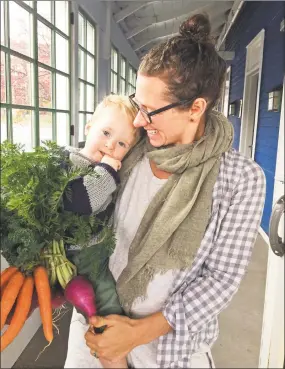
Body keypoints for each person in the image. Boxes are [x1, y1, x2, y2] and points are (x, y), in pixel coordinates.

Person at [64, 14, 266, 368]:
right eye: (136, 103)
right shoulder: (131, 147)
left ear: (196, 108)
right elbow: (81, 180)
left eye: (150, 111)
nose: (139, 120)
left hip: (168, 350)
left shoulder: (241, 179)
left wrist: (134, 334)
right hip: (94, 327)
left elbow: (220, 280)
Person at [63, 94, 139, 369]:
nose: (110, 145)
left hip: (96, 250)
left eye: (121, 144)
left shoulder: (101, 169)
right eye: (106, 133)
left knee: (94, 302)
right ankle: (113, 356)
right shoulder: (73, 163)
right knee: (106, 299)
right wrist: (108, 169)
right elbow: (84, 202)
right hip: (82, 253)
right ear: (88, 127)